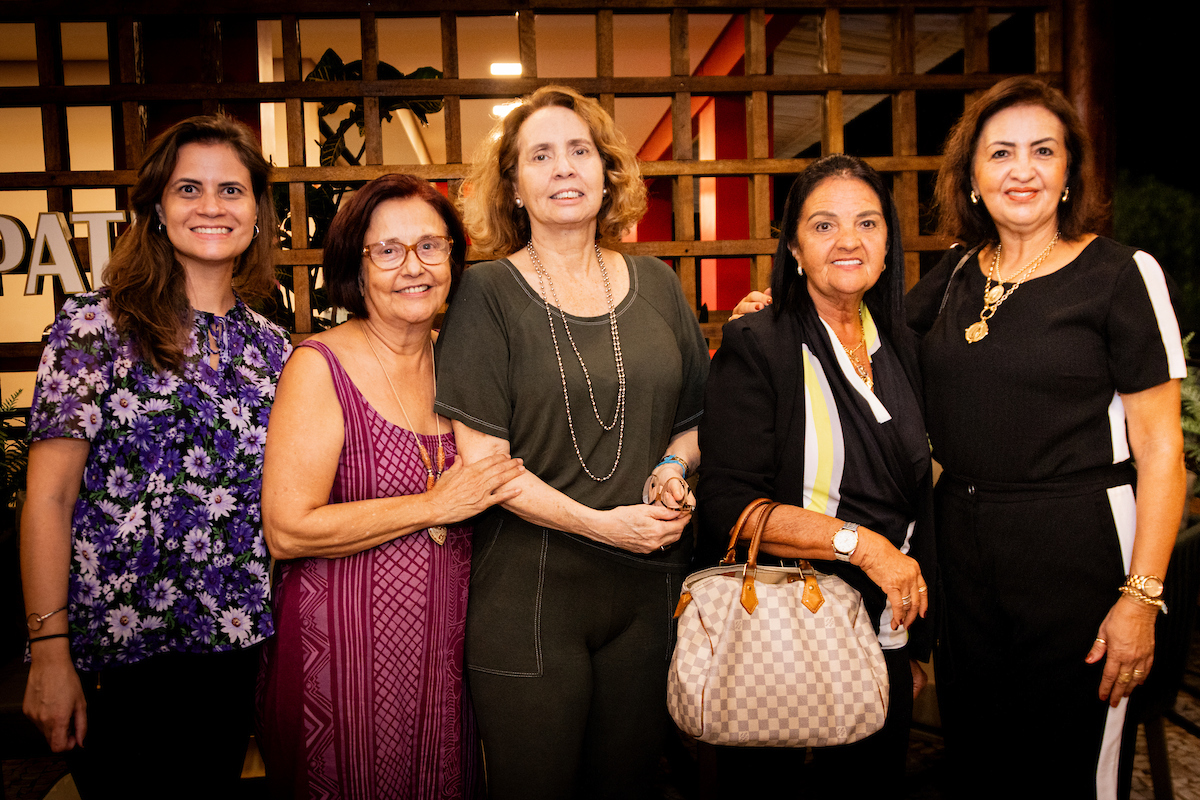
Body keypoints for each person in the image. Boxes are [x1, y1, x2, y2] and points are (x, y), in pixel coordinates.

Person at [906, 76, 1185, 798]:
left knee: (1073, 764)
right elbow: (867, 349)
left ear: (1069, 173)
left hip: (1079, 546)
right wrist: (781, 312)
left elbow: (1161, 450)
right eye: (1000, 153)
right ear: (972, 177)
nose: (1021, 170)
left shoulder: (1121, 275)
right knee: (982, 757)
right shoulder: (959, 272)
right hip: (962, 551)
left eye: (1042, 151)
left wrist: (1141, 598)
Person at [433, 85, 710, 799]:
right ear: (515, 187)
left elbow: (693, 419)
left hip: (649, 594)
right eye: (540, 155)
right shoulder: (484, 293)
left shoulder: (657, 283)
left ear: (607, 172)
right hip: (529, 599)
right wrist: (606, 527)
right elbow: (485, 466)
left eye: (580, 151)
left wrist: (673, 466)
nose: (564, 168)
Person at [20, 115, 289, 799]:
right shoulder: (93, 327)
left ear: (258, 211)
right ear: (156, 208)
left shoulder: (273, 349)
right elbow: (48, 499)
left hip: (234, 655)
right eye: (188, 188)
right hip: (117, 657)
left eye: (232, 190)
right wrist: (49, 653)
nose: (210, 206)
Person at [255, 174, 524, 799]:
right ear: (357, 265)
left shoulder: (462, 361)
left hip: (444, 653)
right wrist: (433, 505)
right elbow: (287, 529)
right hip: (341, 654)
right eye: (389, 250)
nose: (414, 267)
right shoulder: (318, 365)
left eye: (431, 246)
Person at [698, 154, 934, 794]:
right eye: (824, 225)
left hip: (886, 628)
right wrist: (866, 548)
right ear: (795, 248)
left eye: (867, 222)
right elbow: (728, 505)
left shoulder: (903, 345)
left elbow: (916, 495)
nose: (849, 240)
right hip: (784, 629)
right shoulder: (761, 341)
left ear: (888, 242)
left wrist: (912, 643)